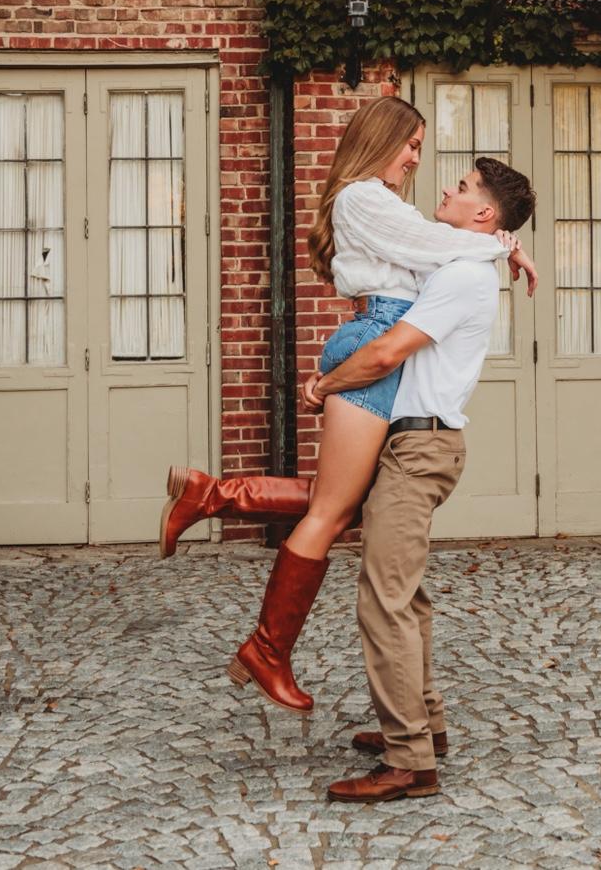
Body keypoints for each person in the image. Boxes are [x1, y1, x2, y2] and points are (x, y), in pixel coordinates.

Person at [157, 97, 536, 715]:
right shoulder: (363, 197)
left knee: (346, 502)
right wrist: (502, 246)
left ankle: (214, 495)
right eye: (411, 145)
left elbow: (443, 242)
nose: (417, 159)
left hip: (378, 329)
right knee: (333, 513)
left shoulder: (384, 203)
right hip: (375, 333)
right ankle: (267, 649)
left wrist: (501, 241)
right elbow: (438, 245)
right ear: (382, 139)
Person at [297, 156, 536, 803]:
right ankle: (425, 726)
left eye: (463, 188)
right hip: (420, 442)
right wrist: (509, 247)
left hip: (420, 447)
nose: (448, 190)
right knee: (407, 597)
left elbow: (385, 353)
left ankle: (409, 762)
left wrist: (323, 385)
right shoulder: (461, 264)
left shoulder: (460, 276)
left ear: (482, 211)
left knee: (384, 600)